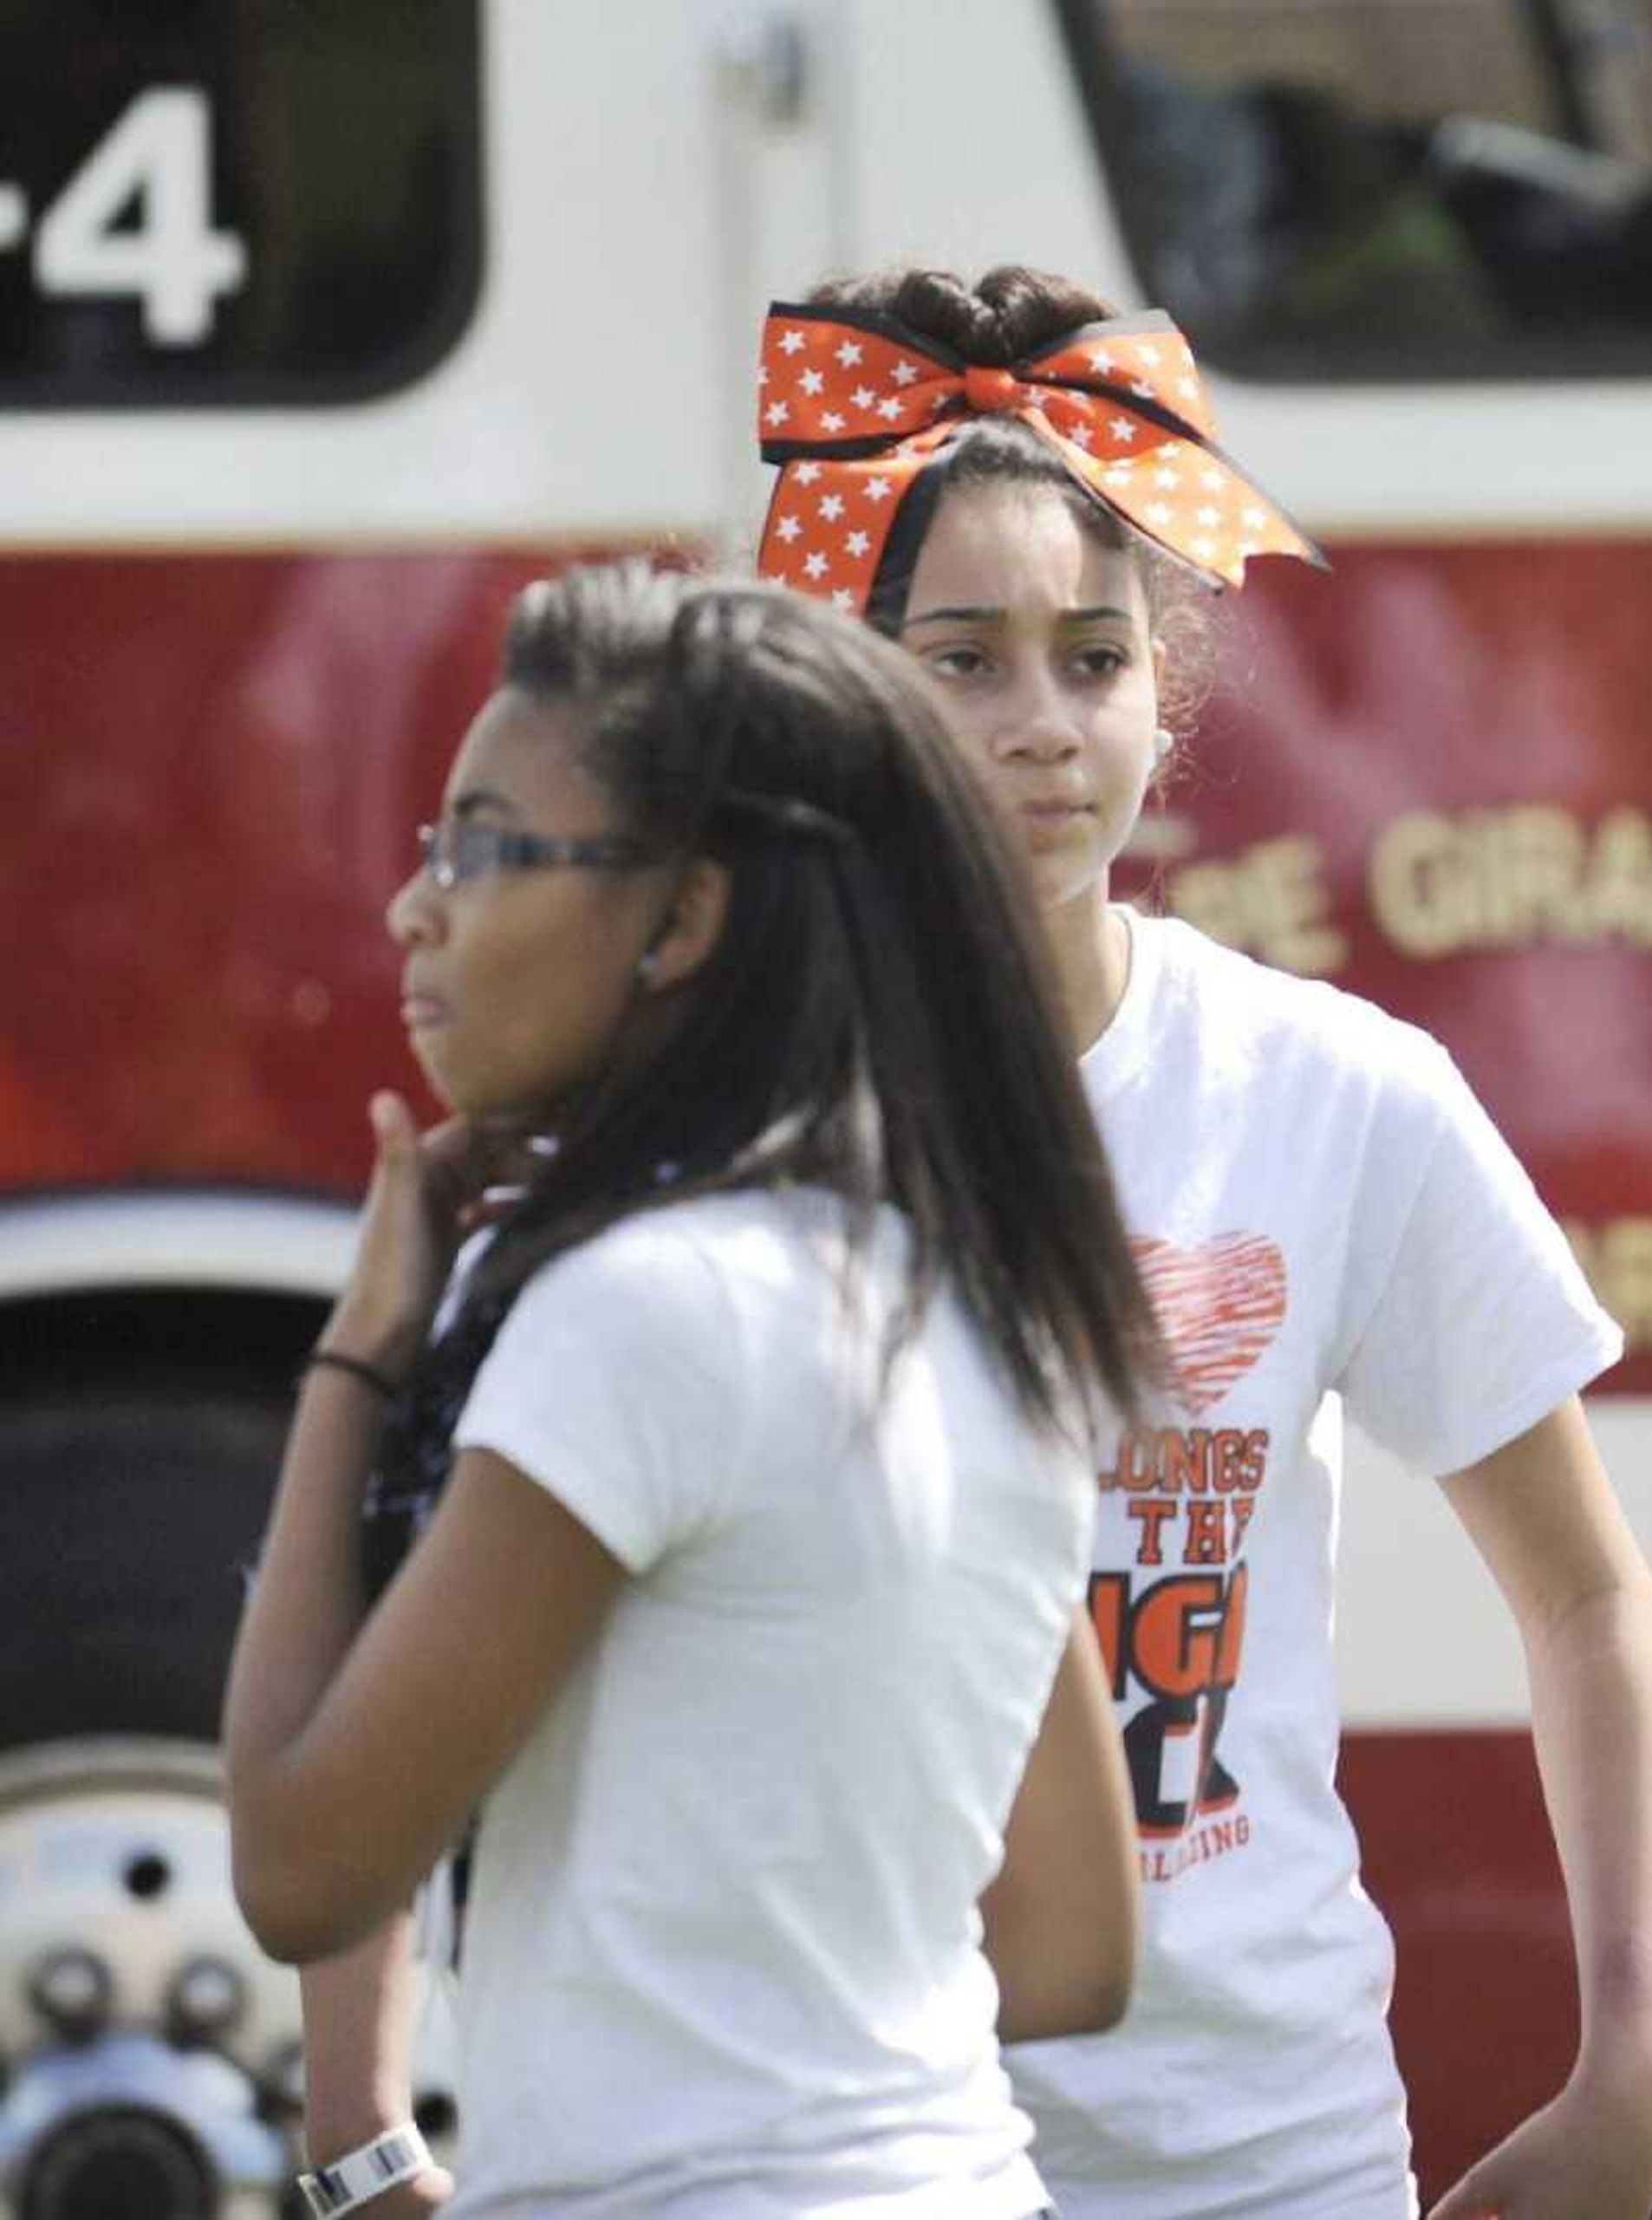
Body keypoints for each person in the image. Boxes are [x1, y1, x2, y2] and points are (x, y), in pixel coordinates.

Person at [754, 264, 1652, 2219]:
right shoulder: (736, 1114)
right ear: (844, 692)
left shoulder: (1334, 1092)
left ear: (1164, 688)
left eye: (1095, 658)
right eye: (963, 659)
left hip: (1262, 2150)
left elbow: (1590, 1602)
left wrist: (1631, 2067)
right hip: (841, 2138)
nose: (1042, 724)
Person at [224, 563, 1150, 2218]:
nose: (414, 908)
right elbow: (1073, 1949)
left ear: (686, 918)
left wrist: (362, 1347)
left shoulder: (648, 1314)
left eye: (487, 845)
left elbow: (303, 1865)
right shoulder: (979, 1298)